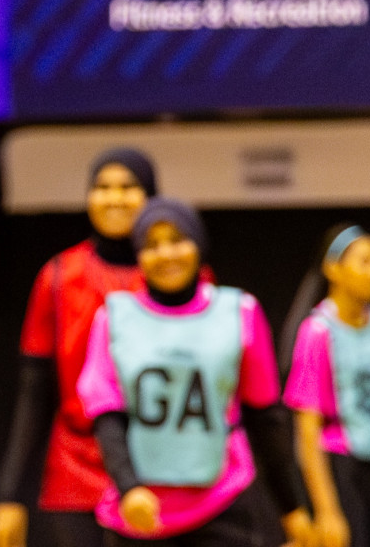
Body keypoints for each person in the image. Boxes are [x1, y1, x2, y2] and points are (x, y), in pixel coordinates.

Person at [77, 198, 313, 547]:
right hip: (141, 515)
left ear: (198, 245)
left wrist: (293, 510)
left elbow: (265, 420)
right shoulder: (113, 318)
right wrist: (130, 489)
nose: (166, 253)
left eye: (177, 239)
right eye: (152, 244)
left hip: (223, 506)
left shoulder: (239, 312)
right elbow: (107, 417)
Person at [0, 148, 158, 547]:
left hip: (158, 468)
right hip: (76, 471)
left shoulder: (177, 273)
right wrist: (10, 496)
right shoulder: (59, 276)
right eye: (102, 187)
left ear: (151, 196)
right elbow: (35, 395)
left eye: (127, 187)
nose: (114, 198)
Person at [282, 224, 370, 547]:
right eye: (365, 262)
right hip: (346, 474)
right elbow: (307, 432)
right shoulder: (318, 332)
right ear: (333, 268)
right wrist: (327, 511)